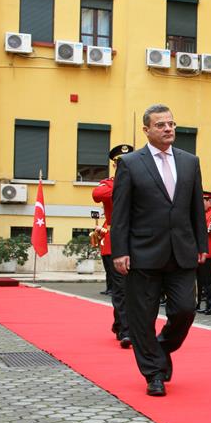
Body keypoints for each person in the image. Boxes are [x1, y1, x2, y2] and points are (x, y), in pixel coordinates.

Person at [111, 104, 208, 397]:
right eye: (160, 125)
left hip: (182, 251)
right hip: (143, 253)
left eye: (171, 124)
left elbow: (196, 208)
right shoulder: (130, 163)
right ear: (146, 130)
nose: (168, 129)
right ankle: (153, 373)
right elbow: (121, 213)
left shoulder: (190, 162)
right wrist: (120, 251)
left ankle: (161, 347)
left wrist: (201, 244)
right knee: (143, 317)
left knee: (185, 310)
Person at [93, 143, 133, 348]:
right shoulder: (109, 183)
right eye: (120, 163)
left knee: (136, 289)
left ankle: (121, 323)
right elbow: (97, 195)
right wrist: (122, 184)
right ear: (115, 165)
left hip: (138, 240)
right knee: (121, 289)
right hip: (115, 240)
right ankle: (126, 330)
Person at [196, 191, 211, 315]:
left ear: (209, 201)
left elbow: (208, 230)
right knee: (205, 282)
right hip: (205, 251)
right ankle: (209, 304)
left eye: (203, 201)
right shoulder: (207, 213)